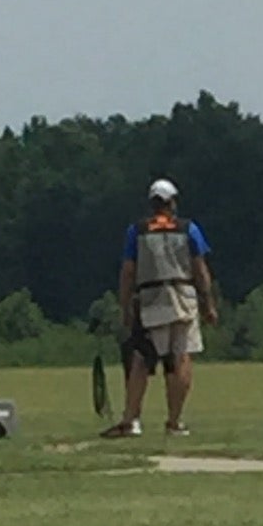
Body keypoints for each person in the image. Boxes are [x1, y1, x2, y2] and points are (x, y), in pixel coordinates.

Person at [102, 178, 217, 438]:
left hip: (150, 299)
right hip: (183, 296)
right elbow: (200, 268)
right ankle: (174, 422)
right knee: (181, 357)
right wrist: (208, 303)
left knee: (142, 359)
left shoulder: (137, 230)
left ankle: (131, 420)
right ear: (172, 202)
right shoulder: (189, 229)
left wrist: (125, 306)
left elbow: (128, 271)